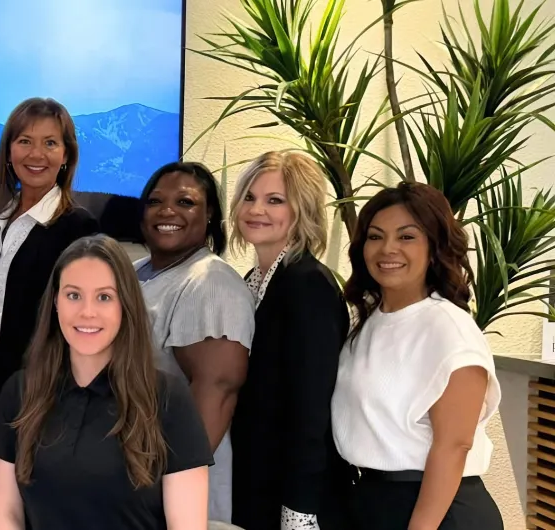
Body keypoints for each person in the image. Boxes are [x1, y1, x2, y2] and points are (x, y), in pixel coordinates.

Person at [0, 234, 213, 529]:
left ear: (125, 305)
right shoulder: (19, 392)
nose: (87, 312)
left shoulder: (168, 399)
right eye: (73, 295)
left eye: (104, 297)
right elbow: (5, 513)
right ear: (55, 301)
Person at [332, 182, 503, 528]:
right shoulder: (367, 321)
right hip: (374, 500)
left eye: (407, 236)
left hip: (437, 511)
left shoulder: (449, 329)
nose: (388, 249)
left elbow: (453, 446)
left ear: (435, 247)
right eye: (375, 236)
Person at [0, 97, 100, 503]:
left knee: (38, 510)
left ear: (66, 155)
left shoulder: (77, 228)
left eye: (50, 143)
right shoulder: (0, 223)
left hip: (44, 394)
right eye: (24, 141)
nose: (36, 154)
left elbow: (88, 325)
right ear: (9, 152)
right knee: (1, 506)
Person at [227, 151, 350, 530]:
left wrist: (299, 511)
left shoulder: (308, 284)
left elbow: (311, 409)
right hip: (257, 483)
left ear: (302, 209)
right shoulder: (252, 280)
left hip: (294, 498)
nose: (256, 209)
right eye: (249, 197)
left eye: (274, 200)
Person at [132, 161, 254, 523]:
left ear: (210, 213)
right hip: (125, 469)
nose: (167, 211)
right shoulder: (135, 272)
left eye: (185, 202)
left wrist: (156, 491)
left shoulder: (212, 285)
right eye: (155, 201)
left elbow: (214, 398)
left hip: (167, 489)